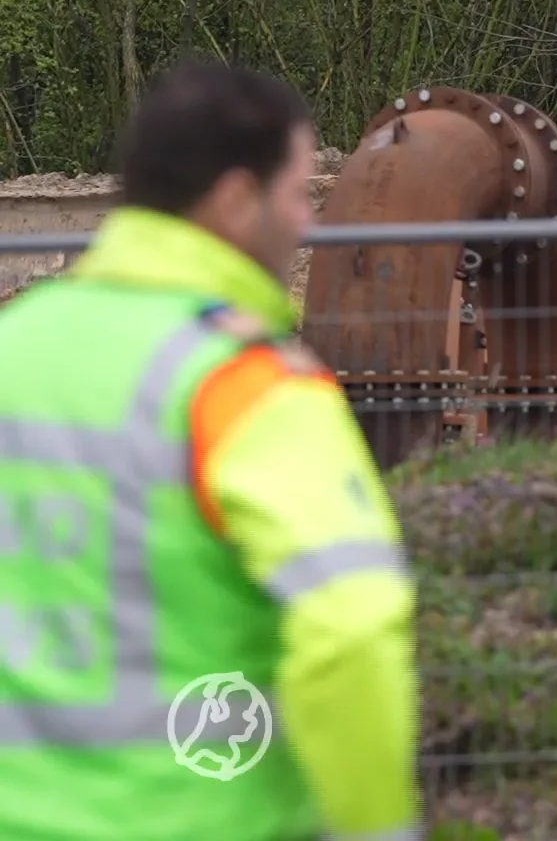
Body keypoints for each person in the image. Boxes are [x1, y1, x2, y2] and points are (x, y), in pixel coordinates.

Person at [0, 58, 421, 840]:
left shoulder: (14, 343)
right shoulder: (244, 385)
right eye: (297, 193)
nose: (307, 222)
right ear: (235, 201)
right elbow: (352, 623)